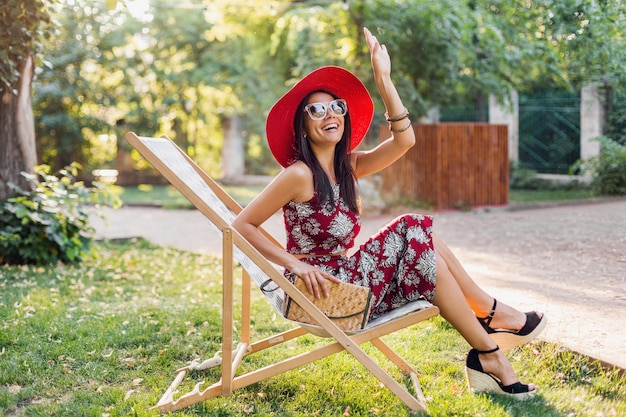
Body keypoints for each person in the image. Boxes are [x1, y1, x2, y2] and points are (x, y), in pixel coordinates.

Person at [232, 27, 546, 399]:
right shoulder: (298, 174)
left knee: (428, 254)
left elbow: (405, 141)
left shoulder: (347, 167)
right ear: (303, 125)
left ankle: (489, 350)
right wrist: (296, 265)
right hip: (320, 292)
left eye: (337, 106)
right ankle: (493, 324)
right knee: (413, 227)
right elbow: (241, 225)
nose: (329, 113)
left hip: (345, 283)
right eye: (315, 110)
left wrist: (384, 78)